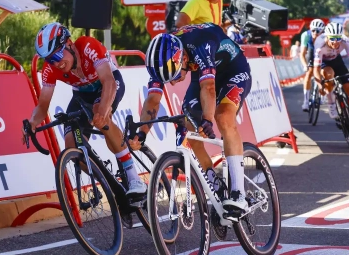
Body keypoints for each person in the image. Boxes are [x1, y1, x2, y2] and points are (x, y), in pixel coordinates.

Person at [129, 24, 252, 212]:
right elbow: (153, 100)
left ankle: (238, 194)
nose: (172, 83)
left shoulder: (202, 44)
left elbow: (209, 87)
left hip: (232, 70)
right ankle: (215, 183)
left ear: (184, 58)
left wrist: (208, 120)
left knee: (223, 117)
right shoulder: (163, 58)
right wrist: (142, 133)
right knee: (190, 126)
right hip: (203, 73)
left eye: (175, 75)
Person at [26, 22, 147, 197]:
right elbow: (42, 106)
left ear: (69, 43)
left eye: (58, 55)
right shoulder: (50, 69)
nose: (57, 63)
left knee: (101, 114)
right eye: (51, 59)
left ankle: (134, 177)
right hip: (82, 94)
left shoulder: (88, 46)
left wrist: (102, 111)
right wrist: (32, 122)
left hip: (109, 83)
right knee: (71, 146)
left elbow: (109, 82)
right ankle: (110, 183)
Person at [314, 22, 349, 139]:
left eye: (338, 38)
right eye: (332, 39)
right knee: (329, 75)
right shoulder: (320, 45)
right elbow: (316, 69)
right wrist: (319, 85)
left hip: (337, 61)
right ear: (327, 37)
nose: (336, 42)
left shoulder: (345, 41)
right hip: (324, 63)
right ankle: (331, 103)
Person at [300, 19, 326, 111]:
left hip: (322, 52)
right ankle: (306, 101)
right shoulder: (306, 35)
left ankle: (323, 94)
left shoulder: (325, 36)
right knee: (309, 73)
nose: (315, 32)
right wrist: (305, 65)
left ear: (322, 31)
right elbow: (302, 54)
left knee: (324, 72)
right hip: (311, 50)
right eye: (313, 30)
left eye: (317, 31)